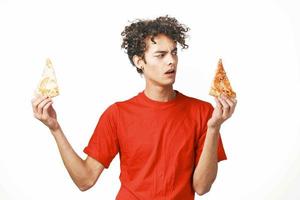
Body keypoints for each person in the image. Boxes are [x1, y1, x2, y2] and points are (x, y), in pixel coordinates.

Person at [31, 15, 237, 200]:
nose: (171, 61)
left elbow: (201, 187)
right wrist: (55, 128)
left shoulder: (203, 113)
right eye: (161, 55)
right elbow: (85, 180)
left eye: (174, 53)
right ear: (139, 61)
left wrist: (214, 128)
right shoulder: (117, 114)